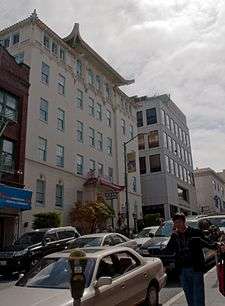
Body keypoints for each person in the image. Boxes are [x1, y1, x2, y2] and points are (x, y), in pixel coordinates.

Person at [163, 213, 220, 306]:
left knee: (198, 295)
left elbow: (207, 243)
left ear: (184, 222)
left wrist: (217, 245)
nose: (177, 225)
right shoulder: (174, 236)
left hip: (196, 268)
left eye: (179, 222)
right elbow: (168, 250)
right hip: (182, 270)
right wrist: (162, 261)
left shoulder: (195, 232)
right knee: (189, 295)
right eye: (175, 223)